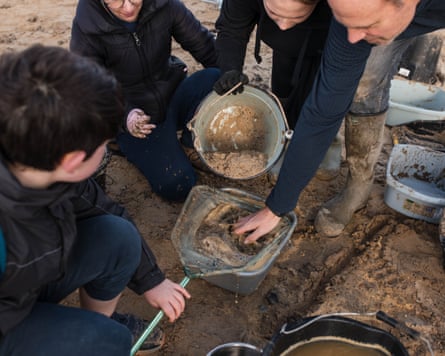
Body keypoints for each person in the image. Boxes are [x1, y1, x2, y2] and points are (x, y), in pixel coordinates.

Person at [0, 44, 190, 356]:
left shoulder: (38, 155)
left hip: (27, 279)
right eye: (104, 143)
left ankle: (88, 322)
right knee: (109, 341)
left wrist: (151, 281)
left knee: (119, 236)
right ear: (73, 160)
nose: (105, 149)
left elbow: (104, 208)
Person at [232, 0, 445, 242]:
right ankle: (359, 184)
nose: (352, 37)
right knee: (362, 78)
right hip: (392, 15)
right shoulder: (352, 29)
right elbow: (324, 110)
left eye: (365, 24)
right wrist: (277, 207)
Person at [70, 0, 220, 202]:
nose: (128, 8)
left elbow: (204, 45)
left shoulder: (166, 5)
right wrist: (127, 116)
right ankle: (128, 144)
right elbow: (90, 87)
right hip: (136, 118)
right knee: (178, 184)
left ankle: (188, 141)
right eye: (115, 1)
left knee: (216, 76)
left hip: (171, 89)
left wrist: (232, 76)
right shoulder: (87, 26)